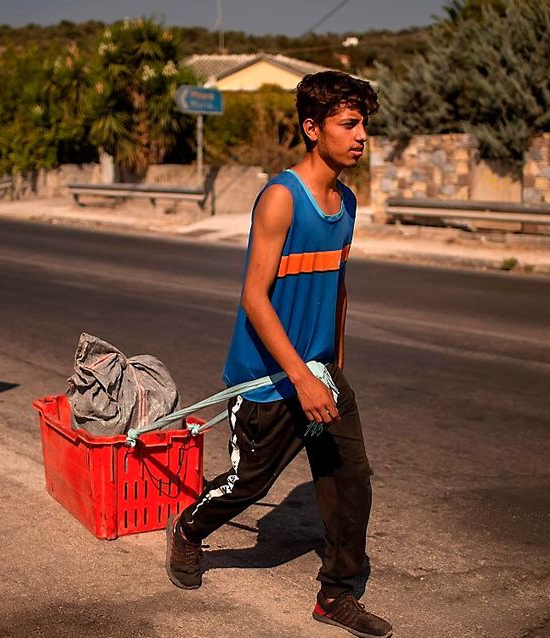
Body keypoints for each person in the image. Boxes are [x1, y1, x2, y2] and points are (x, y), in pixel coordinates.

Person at [164, 72, 392, 637]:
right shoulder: (281, 198)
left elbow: (338, 286)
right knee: (250, 486)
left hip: (318, 372)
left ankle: (335, 595)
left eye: (364, 123)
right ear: (313, 129)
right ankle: (190, 530)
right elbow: (254, 296)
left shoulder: (347, 201)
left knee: (351, 479)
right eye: (349, 124)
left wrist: (332, 366)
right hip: (266, 380)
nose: (362, 135)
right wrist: (299, 376)